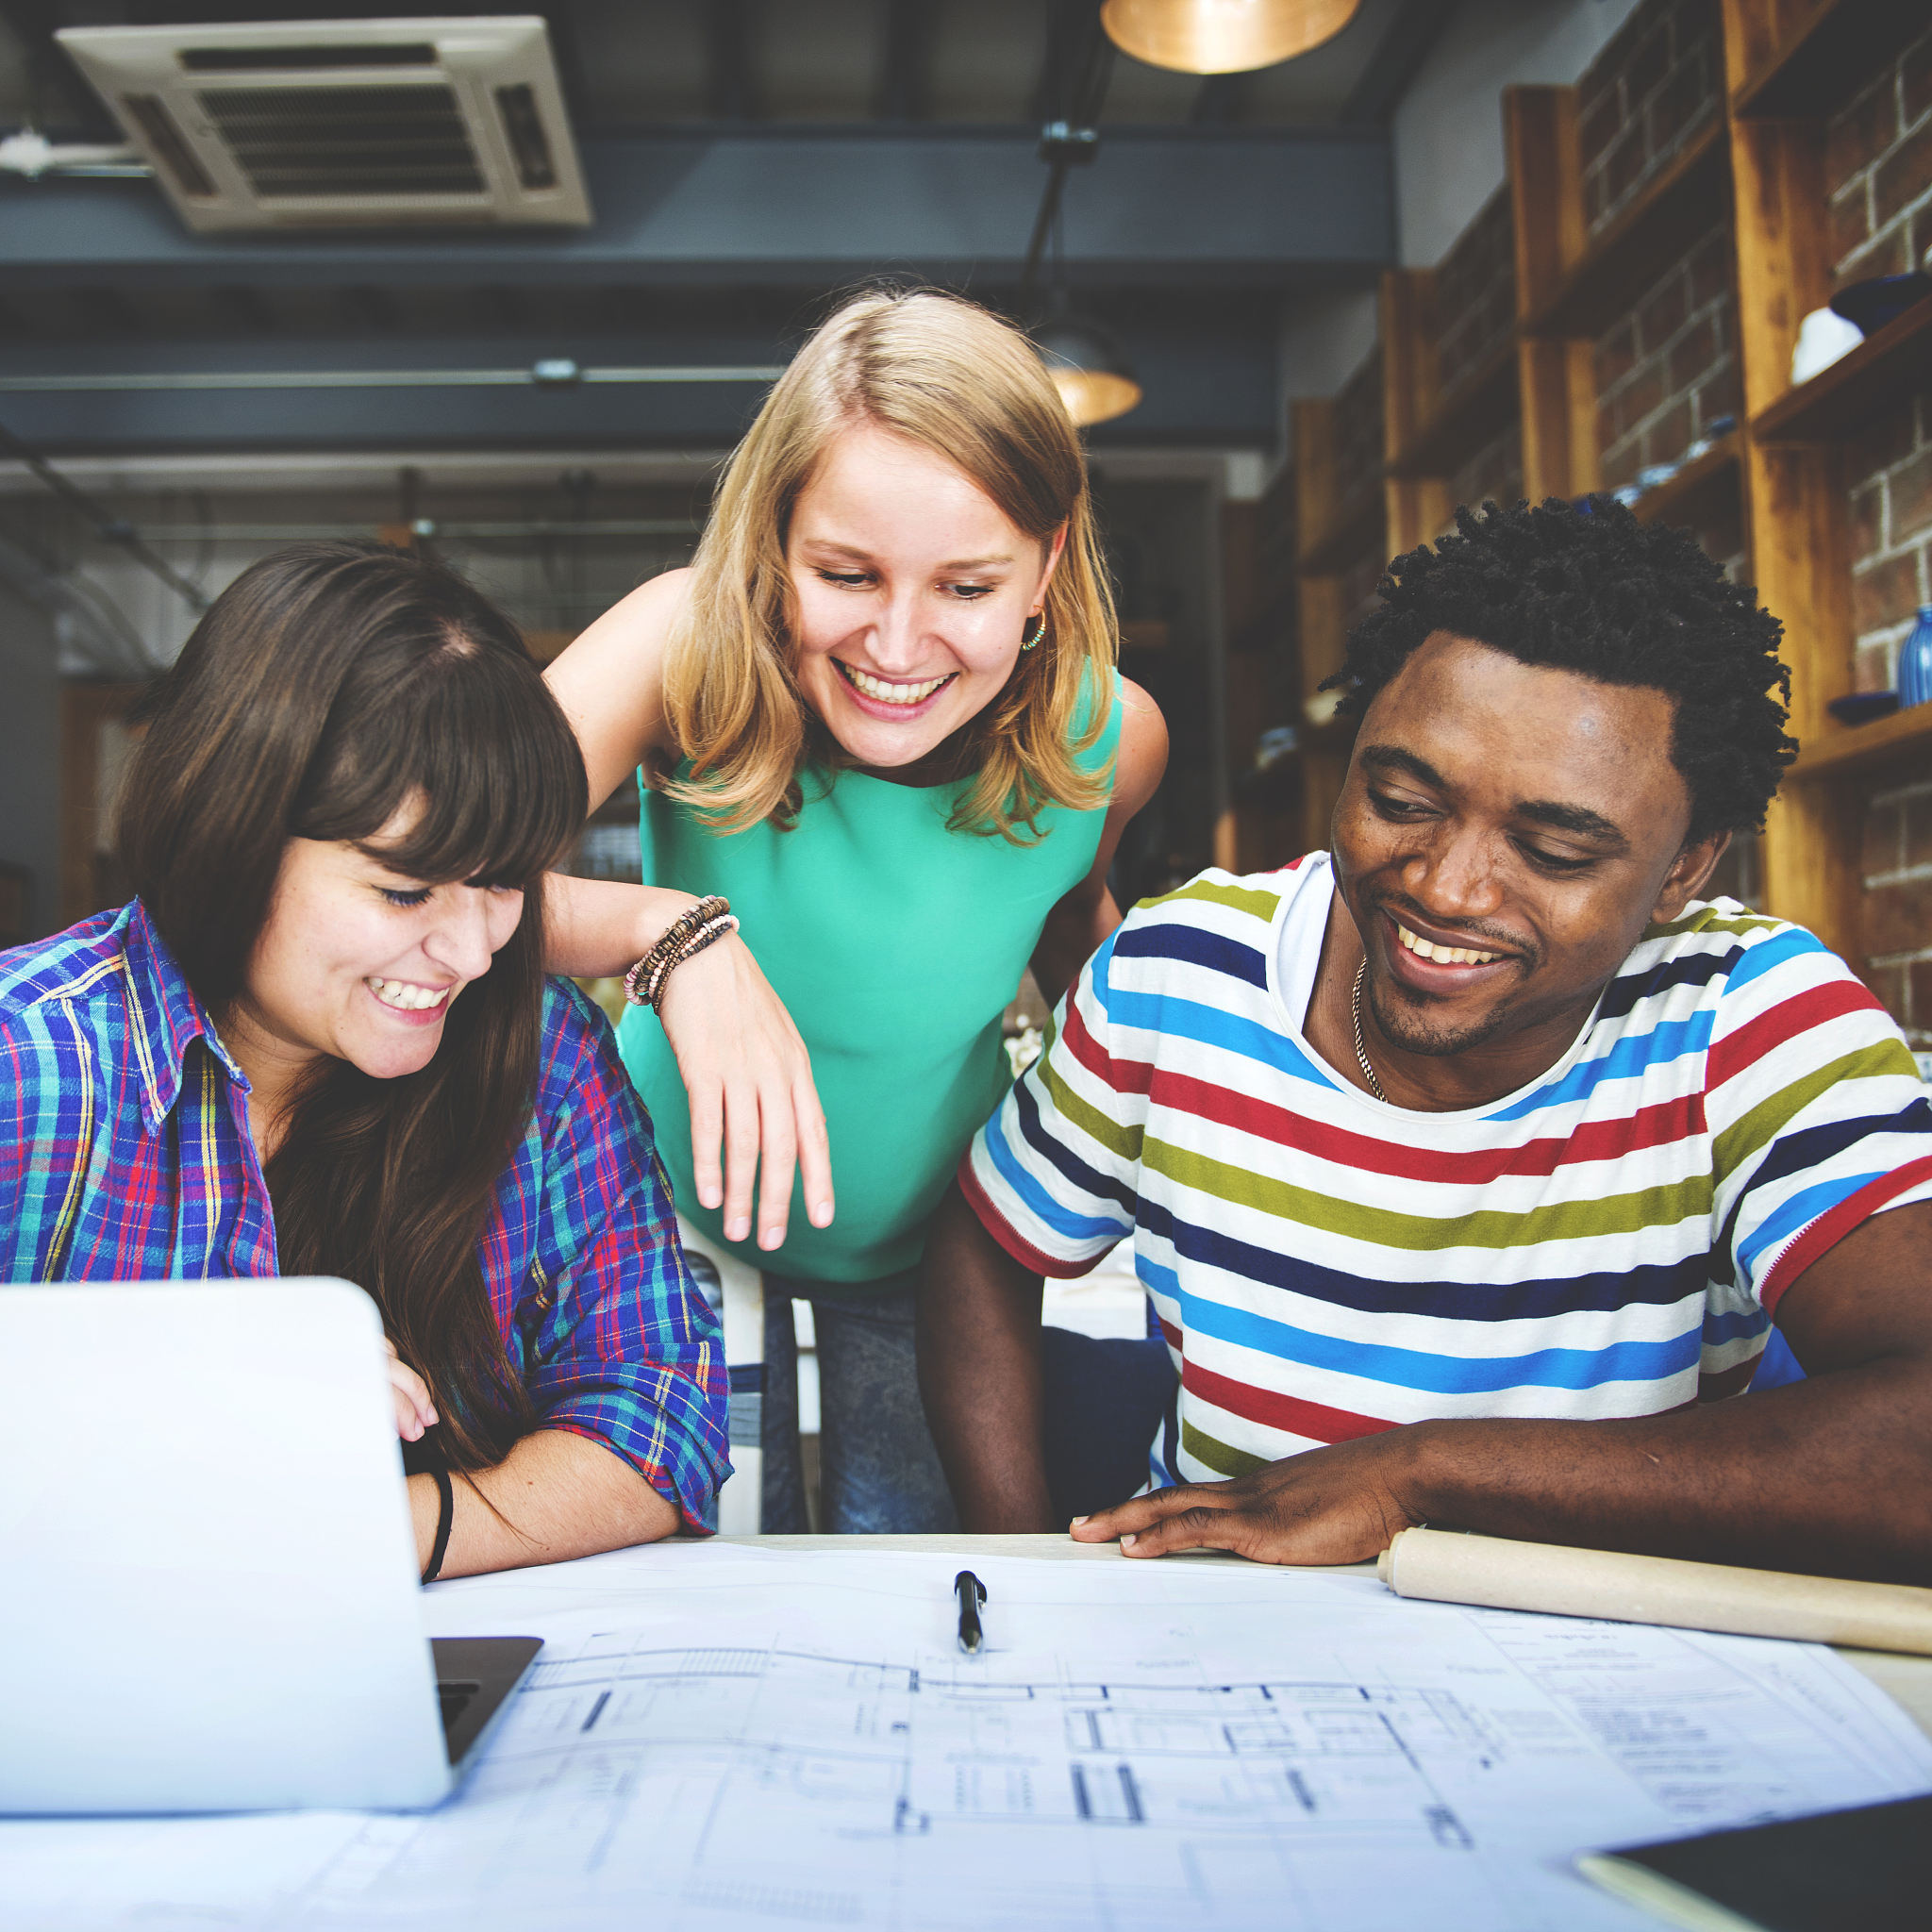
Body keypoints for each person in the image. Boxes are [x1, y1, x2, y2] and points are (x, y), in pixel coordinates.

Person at [918, 498, 1932, 1584]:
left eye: (1550, 849)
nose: (1446, 889)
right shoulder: (1182, 970)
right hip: (1210, 1635)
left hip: (1592, 1674)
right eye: (1402, 798)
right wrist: (1021, 1561)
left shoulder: (1748, 1016)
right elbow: (981, 1246)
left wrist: (1415, 1476)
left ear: (1684, 867)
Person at [544, 286, 1167, 1533]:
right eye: (844, 572)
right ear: (774, 543)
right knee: (688, 1566)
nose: (897, 642)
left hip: (940, 1249)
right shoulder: (682, 645)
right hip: (661, 1215)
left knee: (919, 1575)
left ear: (1045, 569)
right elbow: (429, 880)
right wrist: (668, 937)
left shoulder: (1114, 739)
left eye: (966, 588)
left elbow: (1079, 943)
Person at [0, 542, 729, 1579]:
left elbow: (662, 1418)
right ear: (230, 830)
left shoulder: (547, 1055)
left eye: (504, 881)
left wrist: (356, 1532)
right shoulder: (30, 1064)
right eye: (405, 891)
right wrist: (182, 1383)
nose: (473, 952)